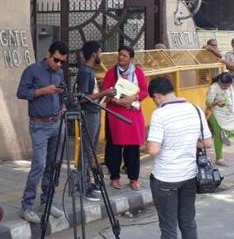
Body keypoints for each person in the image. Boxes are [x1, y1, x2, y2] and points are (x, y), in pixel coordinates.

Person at [147, 77, 213, 239]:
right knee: (188, 222)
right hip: (189, 176)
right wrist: (187, 141)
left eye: (154, 99)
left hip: (165, 178)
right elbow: (207, 142)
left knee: (168, 227)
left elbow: (153, 149)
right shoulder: (195, 109)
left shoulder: (160, 114)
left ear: (157, 96)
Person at [16, 41, 67, 223]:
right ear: (48, 54)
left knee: (54, 164)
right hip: (39, 125)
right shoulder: (33, 70)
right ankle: (27, 205)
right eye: (56, 60)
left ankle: (47, 201)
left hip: (56, 123)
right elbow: (21, 92)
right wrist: (43, 91)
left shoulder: (59, 72)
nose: (58, 64)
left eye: (62, 62)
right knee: (39, 164)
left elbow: (61, 92)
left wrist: (62, 105)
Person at [102, 45, 148, 191]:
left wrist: (134, 97)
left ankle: (133, 178)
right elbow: (106, 91)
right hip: (116, 114)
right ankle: (114, 177)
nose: (121, 57)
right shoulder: (111, 73)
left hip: (133, 114)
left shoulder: (138, 72)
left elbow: (145, 91)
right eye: (120, 54)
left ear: (131, 58)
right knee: (114, 148)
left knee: (133, 149)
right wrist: (117, 101)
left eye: (124, 56)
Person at [76, 41, 116, 201]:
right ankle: (81, 186)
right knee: (86, 151)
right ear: (94, 54)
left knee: (91, 151)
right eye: (100, 52)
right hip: (89, 115)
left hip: (95, 112)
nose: (101, 55)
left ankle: (86, 182)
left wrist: (105, 94)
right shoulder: (85, 72)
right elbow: (83, 98)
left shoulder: (90, 71)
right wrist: (103, 93)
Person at [205, 72, 234, 167]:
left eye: (227, 86)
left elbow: (232, 101)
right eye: (223, 86)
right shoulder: (214, 88)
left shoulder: (230, 88)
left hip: (227, 114)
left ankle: (214, 146)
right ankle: (219, 158)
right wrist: (216, 102)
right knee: (219, 134)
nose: (225, 88)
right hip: (214, 113)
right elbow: (208, 102)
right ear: (219, 81)